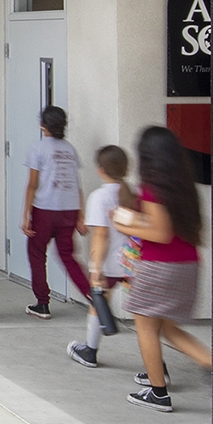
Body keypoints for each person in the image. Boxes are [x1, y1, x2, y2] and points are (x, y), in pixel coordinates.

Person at [117, 125, 212, 411]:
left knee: (145, 326)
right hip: (187, 264)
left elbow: (160, 233)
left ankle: (158, 392)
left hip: (158, 266)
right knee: (169, 329)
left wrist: (125, 225)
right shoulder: (183, 188)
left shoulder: (152, 189)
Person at [66, 143, 136, 369]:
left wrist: (95, 268)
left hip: (109, 265)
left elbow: (101, 236)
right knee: (144, 319)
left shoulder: (99, 197)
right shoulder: (134, 193)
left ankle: (90, 351)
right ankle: (156, 367)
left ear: (100, 170)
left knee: (98, 305)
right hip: (132, 263)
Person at [21, 105, 93, 319]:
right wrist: (81, 216)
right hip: (70, 210)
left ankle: (42, 303)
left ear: (43, 125)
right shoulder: (70, 149)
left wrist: (26, 215)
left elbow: (32, 185)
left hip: (44, 209)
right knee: (67, 255)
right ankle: (92, 295)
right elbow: (77, 185)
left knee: (36, 253)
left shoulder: (37, 149)